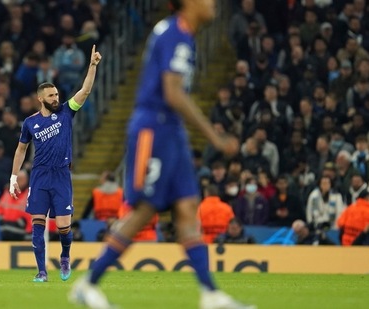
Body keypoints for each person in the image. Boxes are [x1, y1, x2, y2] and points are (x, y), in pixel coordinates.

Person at [69, 1, 253, 309]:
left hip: (172, 130)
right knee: (145, 208)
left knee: (188, 206)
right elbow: (173, 92)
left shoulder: (184, 35)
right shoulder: (174, 34)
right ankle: (88, 283)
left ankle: (210, 294)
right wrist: (215, 137)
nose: (214, 4)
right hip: (152, 129)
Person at [9, 45, 102, 283]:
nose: (56, 98)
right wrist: (13, 177)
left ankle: (65, 257)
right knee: (37, 225)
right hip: (40, 176)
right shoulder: (30, 123)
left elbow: (85, 91)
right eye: (51, 96)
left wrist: (92, 66)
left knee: (63, 228)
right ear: (41, 98)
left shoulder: (66, 112)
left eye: (57, 95)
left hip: (61, 175)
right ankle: (41, 271)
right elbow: (21, 149)